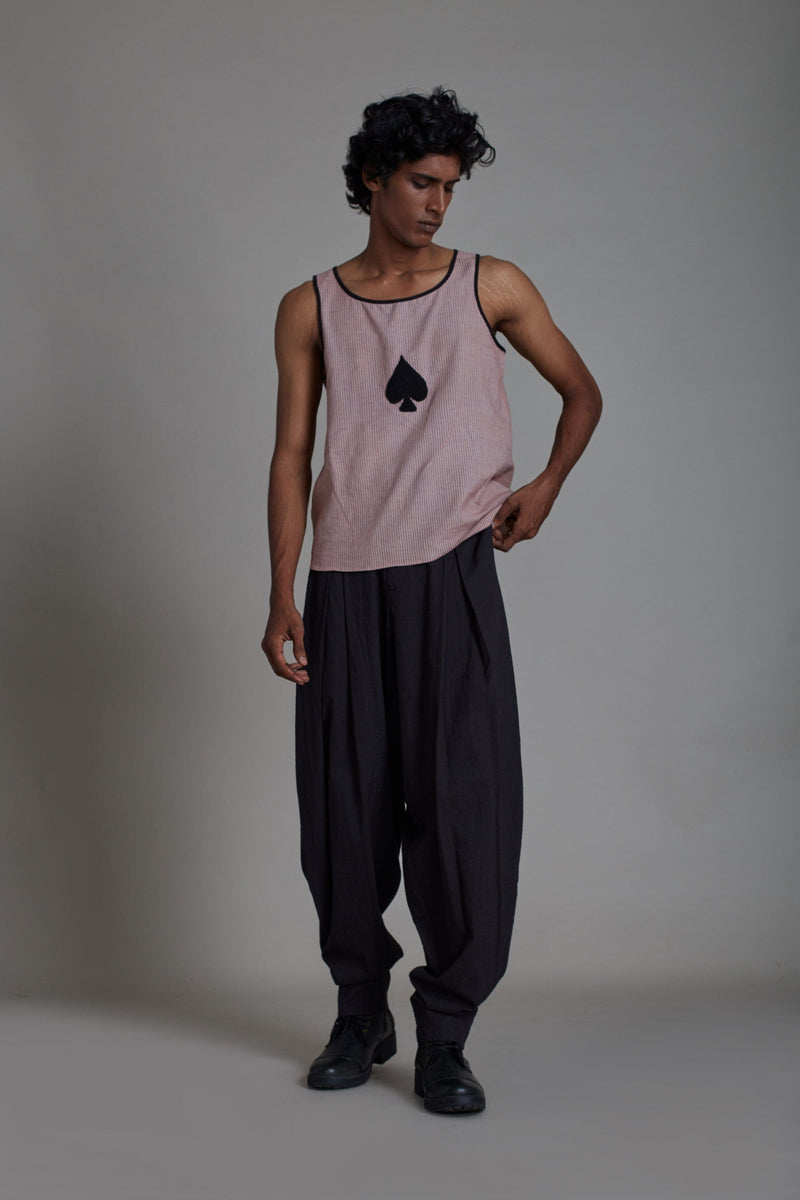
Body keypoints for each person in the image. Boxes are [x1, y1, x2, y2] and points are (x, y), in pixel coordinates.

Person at [261, 86, 602, 1115]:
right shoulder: (310, 305)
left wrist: (546, 484)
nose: (437, 204)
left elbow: (581, 391)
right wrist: (280, 589)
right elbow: (291, 454)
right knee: (343, 811)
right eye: (420, 182)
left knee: (462, 809)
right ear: (371, 178)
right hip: (343, 583)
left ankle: (445, 1034)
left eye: (450, 186)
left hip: (452, 574)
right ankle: (358, 1010)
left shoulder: (490, 285)